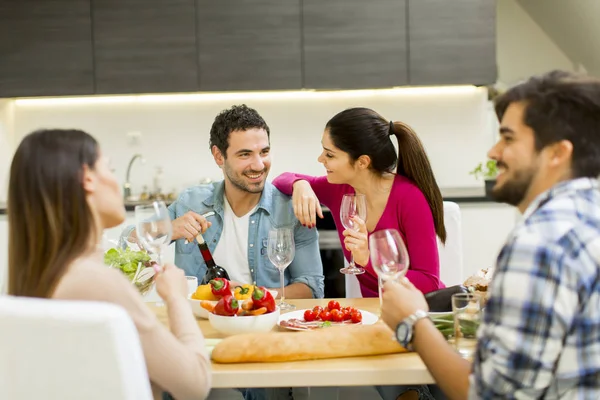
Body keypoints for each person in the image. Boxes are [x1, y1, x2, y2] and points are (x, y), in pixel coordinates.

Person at [381, 70, 600, 399]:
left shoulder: (540, 243)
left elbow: (490, 394)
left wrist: (412, 321)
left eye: (509, 138)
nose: (493, 152)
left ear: (557, 153)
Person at [7, 129, 211, 400]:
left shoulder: (33, 278)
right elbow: (195, 384)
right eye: (110, 168)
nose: (115, 181)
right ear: (87, 178)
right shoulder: (99, 284)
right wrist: (176, 297)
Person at [125, 104, 324, 300]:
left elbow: (312, 287)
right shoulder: (191, 202)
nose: (259, 164)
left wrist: (251, 295)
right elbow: (127, 242)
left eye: (264, 152)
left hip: (263, 323)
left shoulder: (291, 210)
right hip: (199, 323)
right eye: (245, 154)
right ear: (219, 156)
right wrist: (168, 228)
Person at [272, 107, 446, 298]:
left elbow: (429, 282)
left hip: (419, 312)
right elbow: (282, 179)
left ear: (362, 162)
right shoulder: (339, 188)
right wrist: (300, 184)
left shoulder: (410, 198)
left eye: (330, 155)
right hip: (373, 312)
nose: (320, 159)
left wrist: (368, 259)